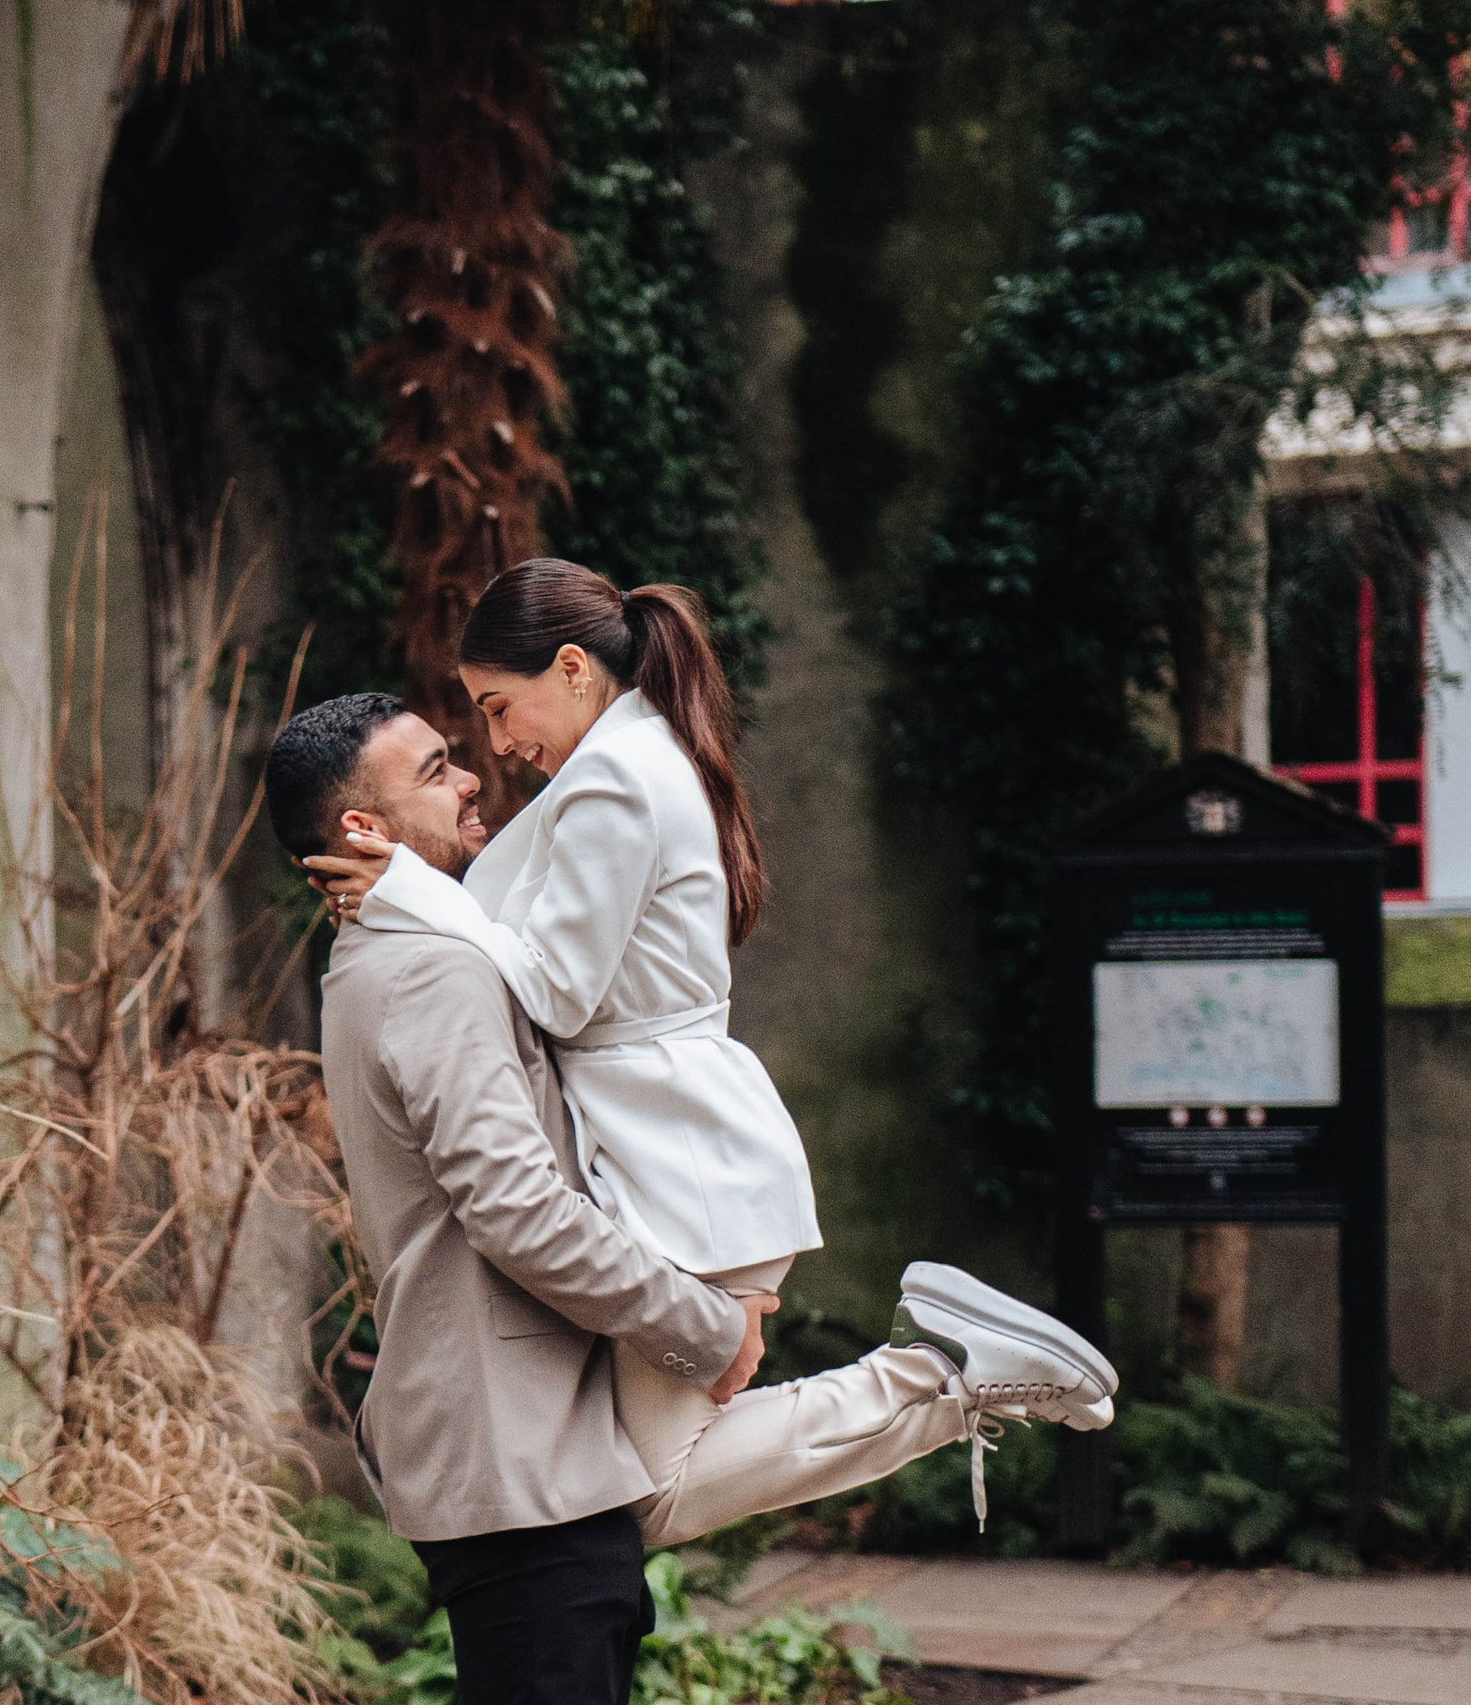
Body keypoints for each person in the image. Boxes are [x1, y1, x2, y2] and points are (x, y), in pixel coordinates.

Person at [265, 671, 1113, 1705]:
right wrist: (693, 1320)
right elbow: (515, 1200)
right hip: (506, 1450)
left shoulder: (432, 934)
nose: (469, 785)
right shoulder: (419, 966)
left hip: (537, 1437)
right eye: (436, 771)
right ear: (360, 826)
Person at [300, 558, 1116, 1533]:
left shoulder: (618, 781)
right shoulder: (618, 769)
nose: (499, 743)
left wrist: (411, 893)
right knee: (623, 1485)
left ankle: (944, 1377)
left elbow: (553, 993)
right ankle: (947, 1376)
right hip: (665, 1158)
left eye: (498, 706)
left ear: (569, 671)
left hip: (680, 1163)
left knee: (645, 1493)